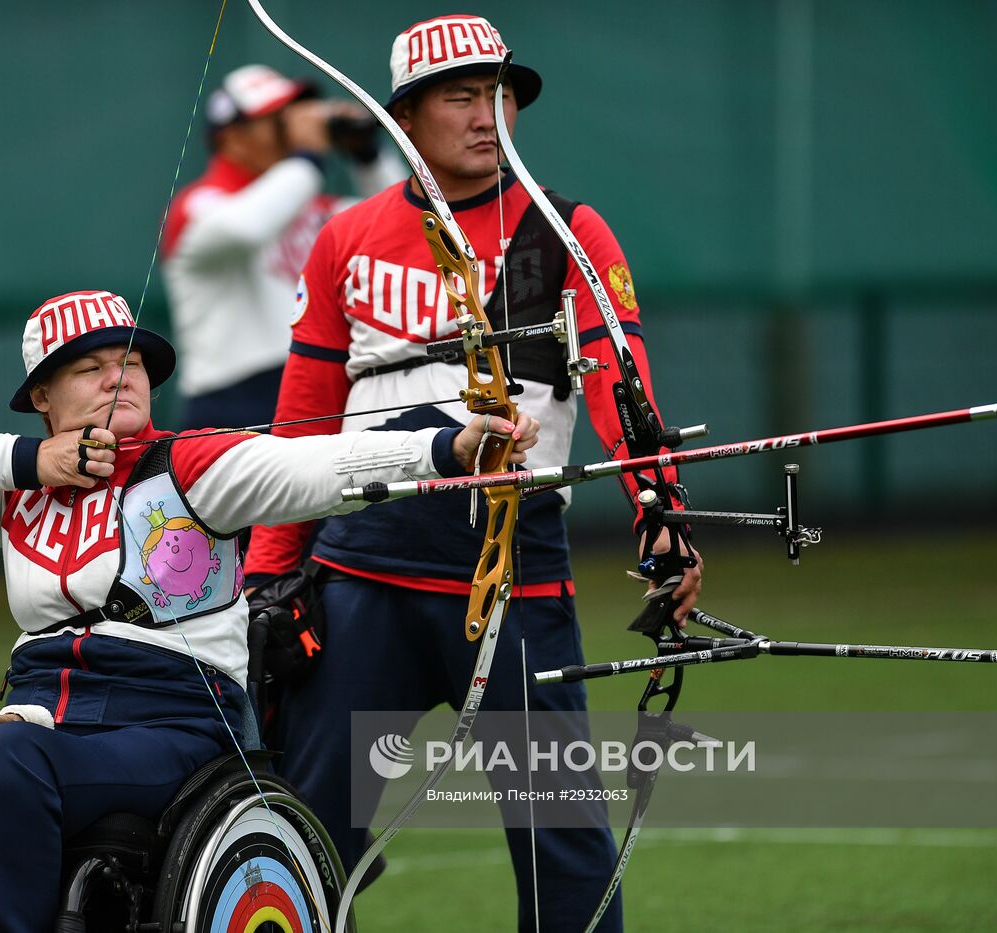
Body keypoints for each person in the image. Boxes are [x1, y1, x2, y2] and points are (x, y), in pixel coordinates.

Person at [0, 288, 539, 932]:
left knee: (4, 763)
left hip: (169, 723)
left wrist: (447, 446)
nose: (117, 376)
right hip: (40, 721)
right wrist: (33, 460)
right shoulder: (18, 493)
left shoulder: (189, 466)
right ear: (42, 396)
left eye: (130, 361)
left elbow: (312, 467)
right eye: (88, 367)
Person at [242, 15, 704, 933]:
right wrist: (267, 572)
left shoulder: (568, 230)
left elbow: (621, 381)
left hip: (515, 578)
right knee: (301, 841)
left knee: (560, 833)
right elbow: (304, 414)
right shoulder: (346, 238)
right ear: (405, 117)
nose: (488, 116)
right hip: (360, 573)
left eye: (501, 96)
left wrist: (661, 510)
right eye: (461, 97)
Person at [160, 64, 402, 431]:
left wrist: (368, 155)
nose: (291, 129)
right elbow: (247, 227)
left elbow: (403, 224)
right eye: (276, 120)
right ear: (232, 136)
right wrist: (307, 156)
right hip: (230, 401)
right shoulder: (201, 204)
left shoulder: (310, 202)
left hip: (316, 382)